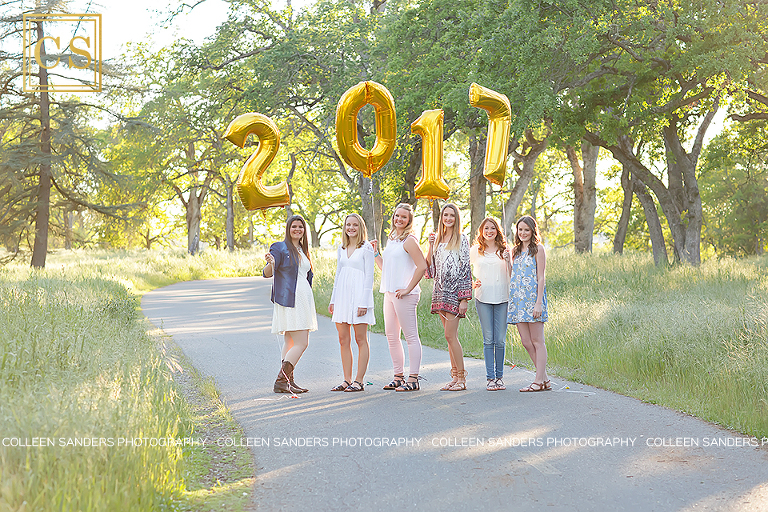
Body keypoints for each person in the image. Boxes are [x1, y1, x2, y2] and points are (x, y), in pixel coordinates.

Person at [373, 203, 428, 392]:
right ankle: (398, 376)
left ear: (409, 220)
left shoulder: (409, 240)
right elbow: (385, 268)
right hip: (389, 292)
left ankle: (413, 379)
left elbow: (422, 266)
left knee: (411, 336)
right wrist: (375, 254)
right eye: (397, 216)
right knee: (391, 336)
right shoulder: (392, 239)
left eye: (404, 217)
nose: (399, 219)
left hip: (405, 295)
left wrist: (407, 289)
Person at [263, 214, 318, 394]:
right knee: (302, 343)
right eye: (294, 226)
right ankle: (281, 381)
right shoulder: (279, 247)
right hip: (290, 299)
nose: (297, 230)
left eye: (300, 227)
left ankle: (288, 382)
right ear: (288, 228)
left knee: (291, 340)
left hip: (303, 298)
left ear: (304, 231)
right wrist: (271, 262)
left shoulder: (302, 250)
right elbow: (267, 273)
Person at [425, 203, 472, 391]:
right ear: (441, 217)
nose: (448, 218)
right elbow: (430, 268)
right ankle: (454, 377)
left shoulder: (462, 239)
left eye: (452, 215)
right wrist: (430, 245)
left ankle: (461, 378)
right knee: (449, 338)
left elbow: (466, 269)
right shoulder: (437, 239)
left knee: (450, 335)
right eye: (445, 215)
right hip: (440, 292)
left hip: (454, 292)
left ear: (457, 218)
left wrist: (464, 299)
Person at [328, 214, 375, 392]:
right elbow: (338, 274)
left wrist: (364, 302)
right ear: (345, 227)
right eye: (348, 225)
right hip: (342, 296)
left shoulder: (367, 248)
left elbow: (369, 276)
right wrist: (333, 300)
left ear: (360, 227)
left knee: (360, 339)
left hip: (359, 297)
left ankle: (359, 380)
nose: (351, 228)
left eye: (355, 225)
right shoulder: (342, 248)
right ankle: (346, 380)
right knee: (342, 339)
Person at [507, 215, 550, 392]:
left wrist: (538, 302)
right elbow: (512, 275)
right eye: (520, 229)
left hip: (533, 300)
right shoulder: (515, 251)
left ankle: (538, 380)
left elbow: (541, 277)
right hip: (518, 301)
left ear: (532, 231)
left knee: (537, 340)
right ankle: (545, 379)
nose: (523, 233)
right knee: (525, 341)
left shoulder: (538, 249)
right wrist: (506, 260)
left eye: (526, 230)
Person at [470, 217, 510, 391]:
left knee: (499, 340)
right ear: (481, 231)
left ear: (497, 231)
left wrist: (509, 260)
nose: (489, 231)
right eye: (486, 228)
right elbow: (465, 270)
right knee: (488, 339)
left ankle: (499, 377)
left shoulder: (505, 250)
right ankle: (490, 378)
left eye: (492, 228)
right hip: (483, 298)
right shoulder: (475, 250)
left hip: (503, 298)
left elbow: (512, 275)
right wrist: (472, 283)